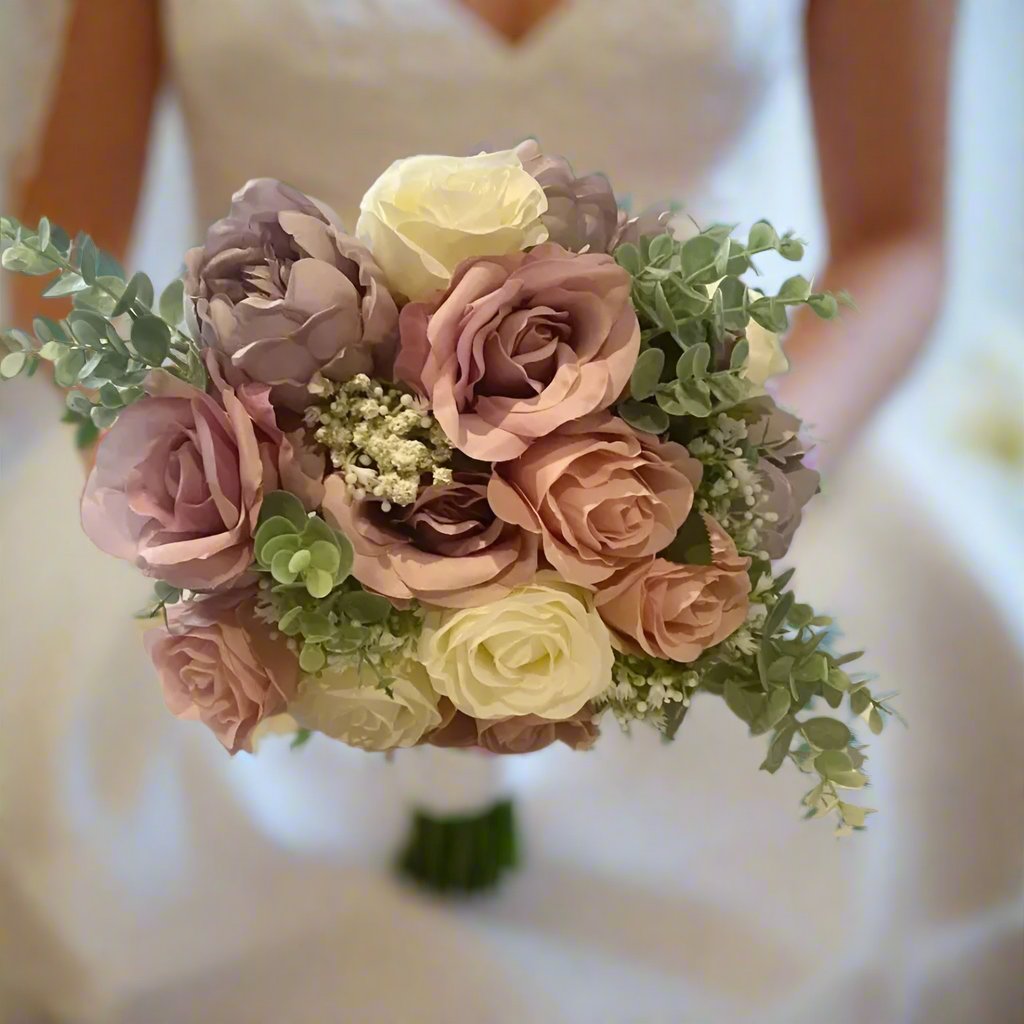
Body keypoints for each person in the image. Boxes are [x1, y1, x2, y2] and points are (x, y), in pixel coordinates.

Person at [5, 2, 1020, 1022]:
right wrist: (216, 532)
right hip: (261, 520)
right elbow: (56, 265)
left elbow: (896, 239)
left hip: (696, 491)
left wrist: (717, 507)